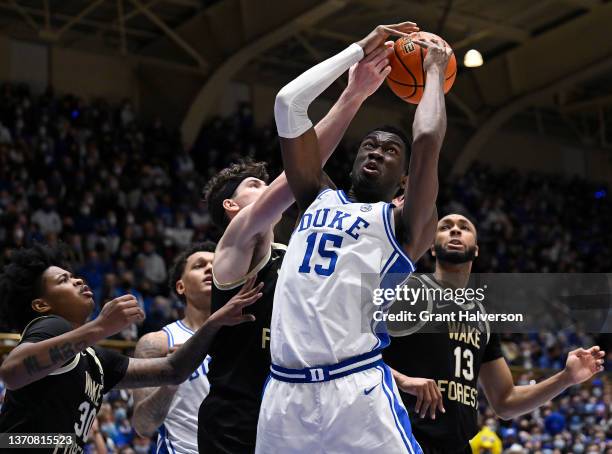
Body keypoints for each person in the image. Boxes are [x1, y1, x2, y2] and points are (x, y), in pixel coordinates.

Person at [256, 22, 451, 452]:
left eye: (390, 151)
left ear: (404, 182)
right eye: (370, 145)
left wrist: (434, 70)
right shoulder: (315, 197)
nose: (377, 150)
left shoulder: (404, 224)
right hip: (283, 396)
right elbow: (289, 103)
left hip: (356, 389)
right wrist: (358, 50)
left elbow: (426, 140)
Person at [198, 45, 394, 453]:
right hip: (237, 414)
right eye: (253, 186)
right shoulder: (236, 242)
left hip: (293, 409)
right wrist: (353, 94)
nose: (267, 186)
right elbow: (299, 157)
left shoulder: (298, 256)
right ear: (230, 208)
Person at [0, 243, 261, 454]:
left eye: (75, 276)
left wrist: (214, 321)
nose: (78, 280)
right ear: (41, 305)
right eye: (64, 280)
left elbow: (172, 370)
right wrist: (100, 327)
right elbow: (12, 372)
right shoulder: (51, 324)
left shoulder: (96, 359)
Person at [384, 213, 605, 454]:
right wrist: (402, 380)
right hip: (401, 437)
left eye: (463, 227)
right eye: (445, 227)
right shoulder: (407, 290)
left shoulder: (483, 317)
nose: (455, 231)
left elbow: (505, 402)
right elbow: (353, 352)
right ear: (432, 248)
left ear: (476, 249)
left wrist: (565, 378)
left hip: (456, 446)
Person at [132, 242, 216, 454]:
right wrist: (171, 379)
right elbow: (143, 426)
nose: (209, 268)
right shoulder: (157, 343)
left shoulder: (245, 335)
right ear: (181, 287)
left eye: (216, 264)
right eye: (199, 265)